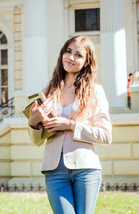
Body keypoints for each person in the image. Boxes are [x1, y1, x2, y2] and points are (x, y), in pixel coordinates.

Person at [28, 36, 112, 214]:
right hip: (54, 170)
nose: (71, 57)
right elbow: (36, 141)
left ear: (87, 61)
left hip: (86, 169)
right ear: (62, 54)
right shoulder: (48, 91)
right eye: (68, 51)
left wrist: (70, 125)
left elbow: (106, 136)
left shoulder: (95, 91)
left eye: (78, 55)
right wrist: (33, 123)